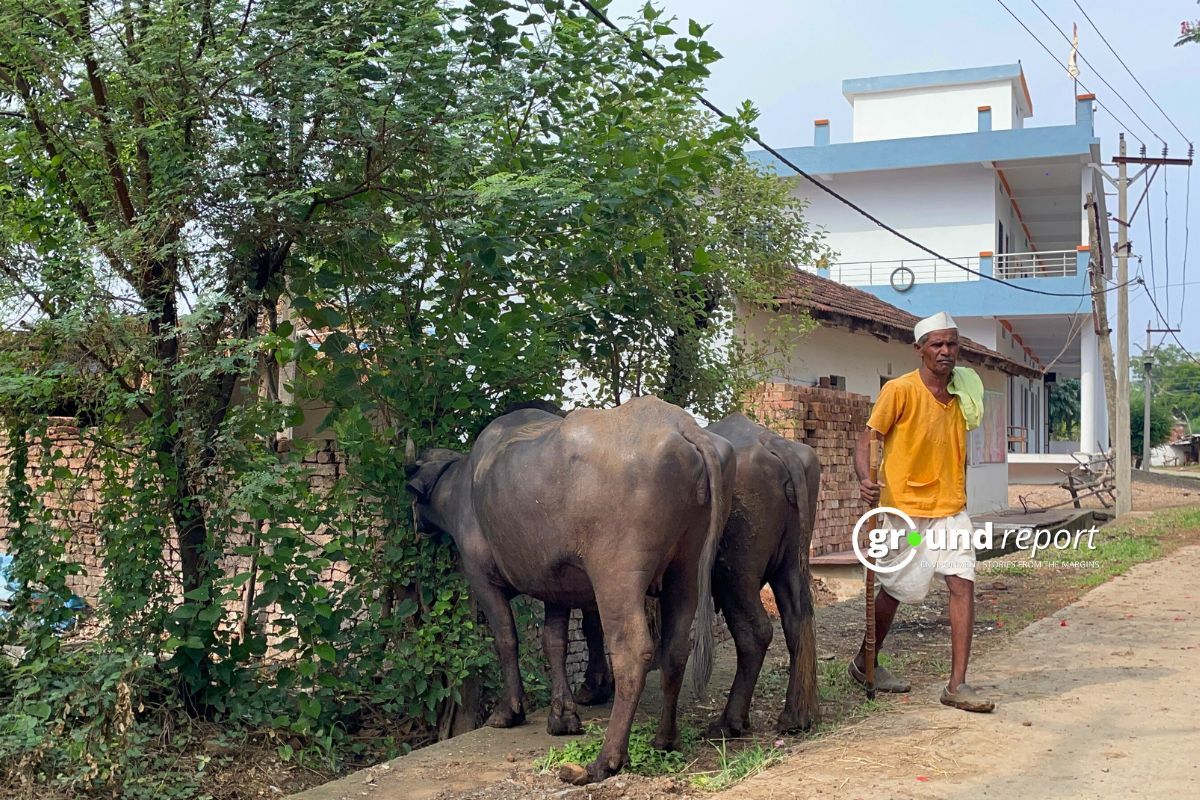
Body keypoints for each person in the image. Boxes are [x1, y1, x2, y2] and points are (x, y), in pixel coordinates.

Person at [849, 311, 995, 713]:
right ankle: (865, 661)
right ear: (920, 349)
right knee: (897, 589)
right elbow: (868, 439)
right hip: (905, 513)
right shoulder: (899, 390)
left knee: (961, 581)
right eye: (937, 344)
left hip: (950, 509)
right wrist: (865, 478)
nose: (945, 351)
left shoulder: (965, 391)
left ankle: (957, 685)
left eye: (951, 344)